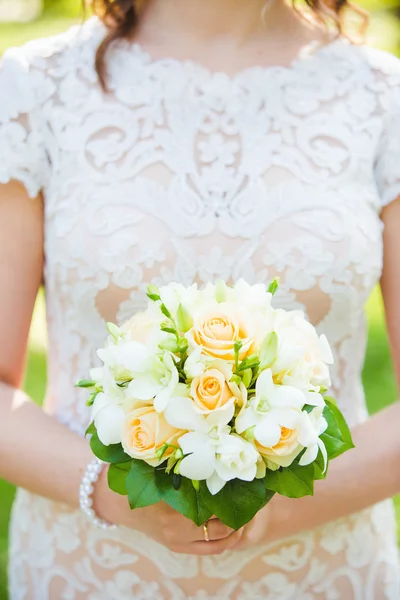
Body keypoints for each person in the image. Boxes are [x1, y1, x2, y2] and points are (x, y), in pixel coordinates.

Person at [0, 0, 400, 598]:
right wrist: (109, 491)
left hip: (327, 571)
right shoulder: (37, 88)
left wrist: (272, 509)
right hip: (91, 570)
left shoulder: (381, 97)